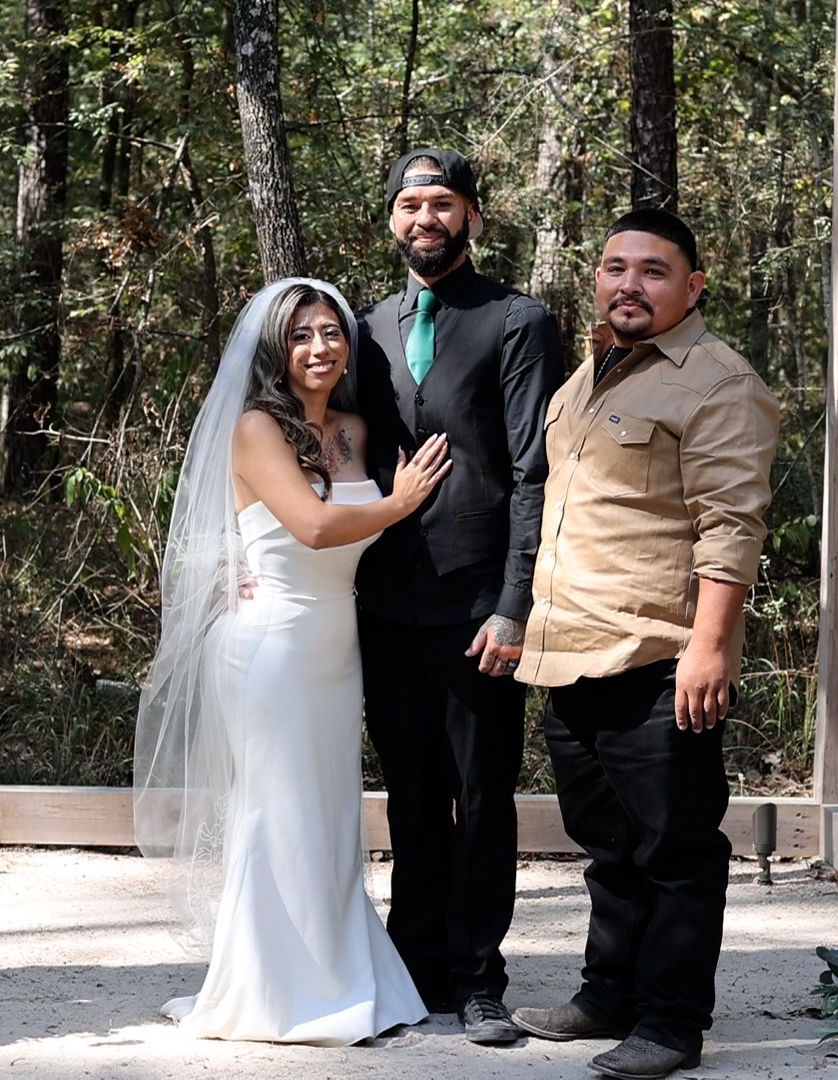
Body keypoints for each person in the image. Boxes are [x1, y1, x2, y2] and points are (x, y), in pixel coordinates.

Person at [132, 278, 451, 1045]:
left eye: (331, 332)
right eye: (302, 334)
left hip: (335, 646)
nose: (320, 347)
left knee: (328, 811)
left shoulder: (355, 430)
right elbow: (311, 527)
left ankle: (337, 973)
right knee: (275, 810)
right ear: (276, 348)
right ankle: (272, 990)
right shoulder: (255, 428)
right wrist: (400, 502)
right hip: (269, 644)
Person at [510, 209, 780, 1080]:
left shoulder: (717, 382)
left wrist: (709, 647)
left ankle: (671, 1023)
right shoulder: (589, 375)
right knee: (609, 846)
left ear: (692, 287)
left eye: (653, 271)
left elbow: (730, 526)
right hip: (572, 650)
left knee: (676, 852)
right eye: (615, 267)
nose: (629, 284)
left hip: (659, 659)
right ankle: (608, 996)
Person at [350, 147, 563, 1044]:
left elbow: (533, 472)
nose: (425, 219)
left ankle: (478, 979)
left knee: (481, 796)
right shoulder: (364, 326)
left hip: (479, 605)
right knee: (409, 794)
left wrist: (516, 601)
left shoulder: (518, 321)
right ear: (392, 220)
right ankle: (415, 966)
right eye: (410, 206)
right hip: (383, 603)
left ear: (472, 215)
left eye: (442, 203)